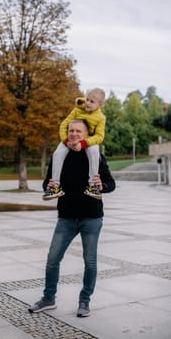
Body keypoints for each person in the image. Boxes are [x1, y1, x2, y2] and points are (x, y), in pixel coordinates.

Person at [29, 119, 115, 317]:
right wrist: (48, 185)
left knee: (90, 262)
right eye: (71, 130)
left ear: (86, 135)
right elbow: (47, 183)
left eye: (78, 131)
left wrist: (102, 185)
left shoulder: (96, 157)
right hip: (66, 218)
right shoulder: (60, 156)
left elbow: (111, 184)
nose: (73, 134)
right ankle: (48, 298)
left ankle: (84, 302)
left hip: (91, 218)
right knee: (52, 260)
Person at [43, 88, 106, 201]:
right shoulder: (77, 110)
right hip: (69, 140)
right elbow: (63, 125)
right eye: (87, 99)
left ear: (100, 104)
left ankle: (93, 186)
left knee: (94, 150)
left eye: (92, 101)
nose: (87, 103)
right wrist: (66, 141)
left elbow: (100, 136)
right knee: (58, 153)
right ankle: (55, 187)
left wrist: (83, 143)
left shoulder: (101, 118)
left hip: (88, 140)